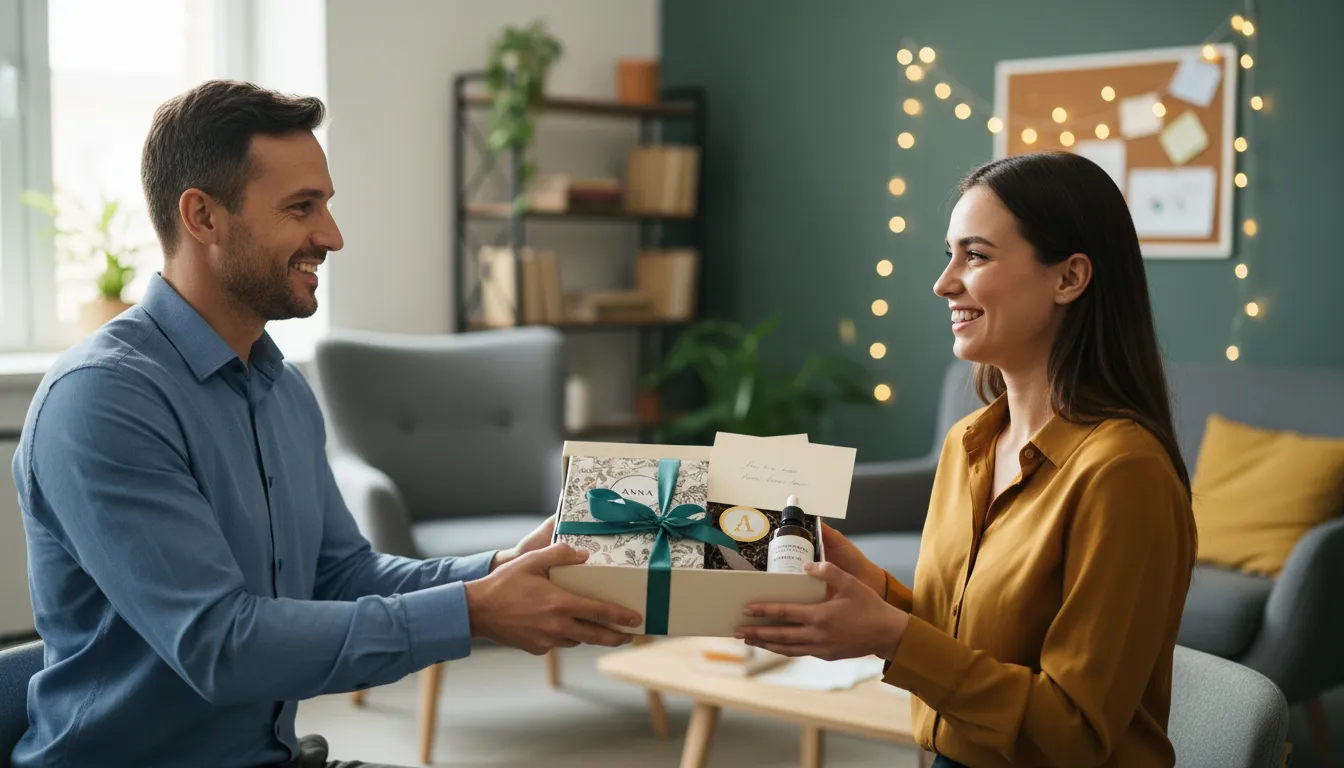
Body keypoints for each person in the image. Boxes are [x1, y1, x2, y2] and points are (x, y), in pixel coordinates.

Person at [10, 80, 641, 768]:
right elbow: (221, 646)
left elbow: (341, 574)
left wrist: (494, 570)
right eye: (301, 207)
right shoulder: (103, 400)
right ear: (203, 217)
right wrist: (473, 610)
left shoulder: (281, 388)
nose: (331, 236)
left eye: (326, 205)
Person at [737, 151, 1197, 768]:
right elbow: (972, 641)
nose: (944, 282)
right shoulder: (968, 443)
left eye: (975, 255)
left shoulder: (1123, 473)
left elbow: (1075, 735)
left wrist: (891, 635)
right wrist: (876, 592)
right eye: (949, 254)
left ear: (1069, 278)